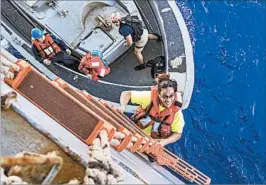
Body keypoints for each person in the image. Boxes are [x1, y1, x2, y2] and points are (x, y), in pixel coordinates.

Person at [119, 75, 185, 147]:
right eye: (164, 96)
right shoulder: (149, 98)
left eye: (171, 96)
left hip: (153, 142)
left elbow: (178, 133)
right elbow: (126, 94)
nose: (168, 100)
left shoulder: (176, 112)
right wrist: (122, 107)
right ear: (159, 94)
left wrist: (165, 141)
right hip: (134, 130)